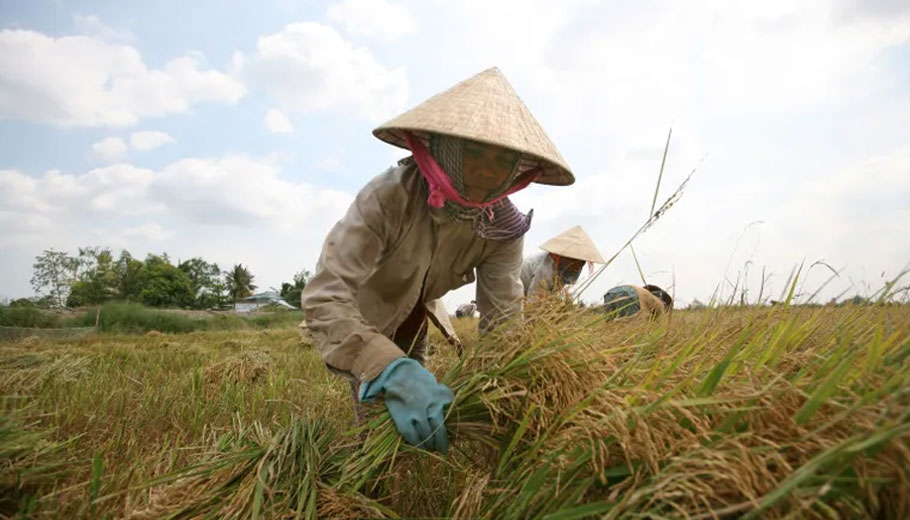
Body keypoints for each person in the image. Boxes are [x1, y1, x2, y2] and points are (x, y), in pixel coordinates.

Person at [301, 67, 574, 454]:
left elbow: (504, 322)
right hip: (365, 313)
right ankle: (364, 470)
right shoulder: (387, 198)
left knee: (419, 392)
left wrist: (498, 388)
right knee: (375, 411)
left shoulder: (504, 228)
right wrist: (384, 366)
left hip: (419, 311)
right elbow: (325, 296)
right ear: (443, 147)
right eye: (473, 152)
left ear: (517, 171)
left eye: (502, 160)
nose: (485, 170)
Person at [521, 226, 604, 296]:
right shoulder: (546, 269)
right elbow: (534, 299)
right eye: (573, 261)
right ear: (564, 257)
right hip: (515, 286)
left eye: (581, 263)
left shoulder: (562, 272)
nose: (577, 267)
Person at [602, 284, 673, 318]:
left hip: (611, 292)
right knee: (630, 325)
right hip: (629, 294)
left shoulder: (646, 295)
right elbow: (653, 320)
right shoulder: (659, 304)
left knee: (610, 322)